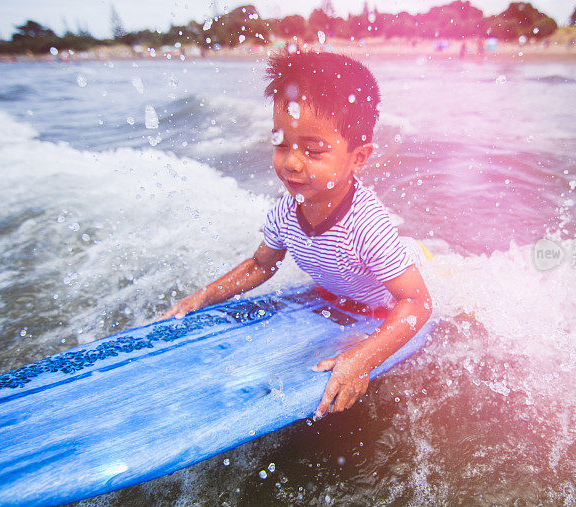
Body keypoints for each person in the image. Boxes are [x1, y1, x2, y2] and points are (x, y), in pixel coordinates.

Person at [159, 50, 432, 419]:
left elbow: (417, 304)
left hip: (394, 291)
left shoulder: (366, 225)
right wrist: (203, 296)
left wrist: (362, 358)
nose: (291, 162)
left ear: (359, 158)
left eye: (313, 150)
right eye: (282, 144)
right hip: (341, 294)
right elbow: (260, 265)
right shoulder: (285, 212)